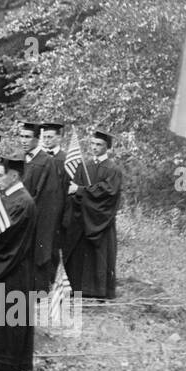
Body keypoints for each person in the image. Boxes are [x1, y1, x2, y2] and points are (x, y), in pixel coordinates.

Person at [0, 148, 37, 371]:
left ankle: (2, 369)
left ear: (14, 176)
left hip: (11, 271)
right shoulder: (9, 198)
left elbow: (2, 238)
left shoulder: (22, 202)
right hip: (4, 269)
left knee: (6, 322)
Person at [63, 127, 122, 299]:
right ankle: (80, 289)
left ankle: (99, 292)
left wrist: (81, 191)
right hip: (83, 220)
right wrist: (78, 194)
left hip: (101, 223)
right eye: (92, 143)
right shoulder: (84, 166)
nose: (94, 147)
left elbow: (108, 194)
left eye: (99, 144)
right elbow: (72, 192)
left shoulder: (113, 170)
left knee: (100, 257)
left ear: (107, 147)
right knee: (81, 256)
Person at [19, 121, 65, 291]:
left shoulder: (47, 162)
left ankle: (40, 289)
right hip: (19, 216)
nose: (24, 140)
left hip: (38, 217)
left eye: (28, 137)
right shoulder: (19, 158)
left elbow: (50, 196)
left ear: (37, 139)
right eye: (21, 136)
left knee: (39, 251)